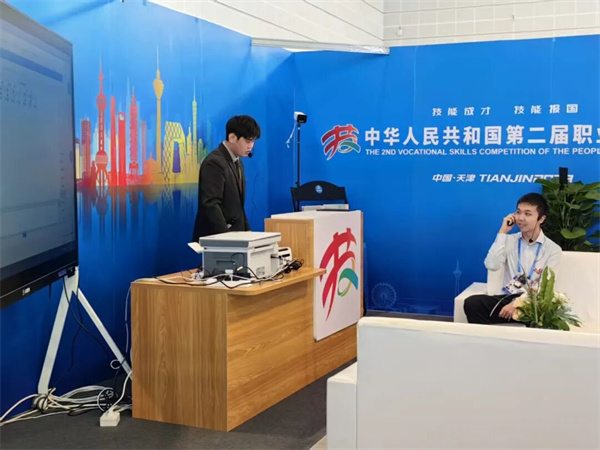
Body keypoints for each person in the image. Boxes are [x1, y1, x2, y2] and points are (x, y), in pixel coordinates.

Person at [464, 192, 562, 325]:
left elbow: (545, 286)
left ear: (541, 219)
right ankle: (488, 338)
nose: (521, 218)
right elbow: (491, 265)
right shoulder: (509, 240)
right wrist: (502, 232)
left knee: (542, 317)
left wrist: (518, 304)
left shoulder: (552, 249)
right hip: (507, 297)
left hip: (532, 301)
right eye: (518, 212)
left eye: (527, 214)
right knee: (473, 304)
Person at [192, 115, 260, 241]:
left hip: (235, 237)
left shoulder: (238, 162)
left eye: (253, 141)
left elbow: (238, 208)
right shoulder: (214, 162)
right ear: (232, 137)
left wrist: (248, 232)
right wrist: (227, 238)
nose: (251, 146)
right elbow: (211, 204)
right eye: (248, 141)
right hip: (217, 239)